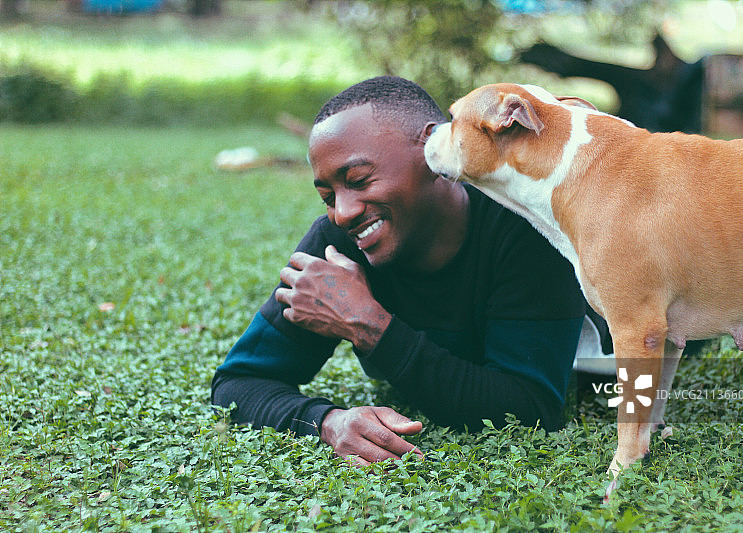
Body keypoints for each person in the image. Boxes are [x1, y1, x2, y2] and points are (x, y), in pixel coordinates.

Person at [211, 76, 612, 465]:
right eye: (328, 197)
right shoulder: (337, 246)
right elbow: (236, 384)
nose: (343, 212)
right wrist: (327, 422)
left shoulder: (524, 228)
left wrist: (369, 325)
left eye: (359, 180)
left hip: (611, 369)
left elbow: (530, 411)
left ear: (432, 151)